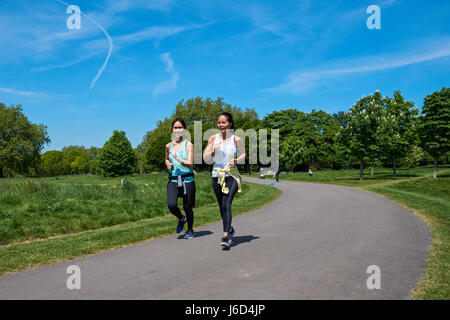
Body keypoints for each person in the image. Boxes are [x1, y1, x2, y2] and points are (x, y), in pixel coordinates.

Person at [203, 112, 246, 249]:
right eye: (219, 122)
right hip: (217, 175)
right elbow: (205, 158)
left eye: (223, 122)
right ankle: (230, 228)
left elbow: (244, 155)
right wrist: (213, 152)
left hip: (231, 175)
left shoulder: (236, 139)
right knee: (222, 206)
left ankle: (226, 236)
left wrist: (236, 160)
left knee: (227, 204)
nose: (220, 125)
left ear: (230, 124)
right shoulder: (212, 139)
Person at [165, 118, 196, 239]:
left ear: (184, 129)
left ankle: (190, 230)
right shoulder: (169, 146)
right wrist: (168, 164)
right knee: (171, 204)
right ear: (172, 129)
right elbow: (166, 158)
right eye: (175, 128)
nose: (177, 130)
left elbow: (191, 163)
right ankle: (182, 219)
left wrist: (178, 159)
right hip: (173, 179)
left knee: (187, 207)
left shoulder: (189, 145)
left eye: (180, 127)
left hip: (187, 180)